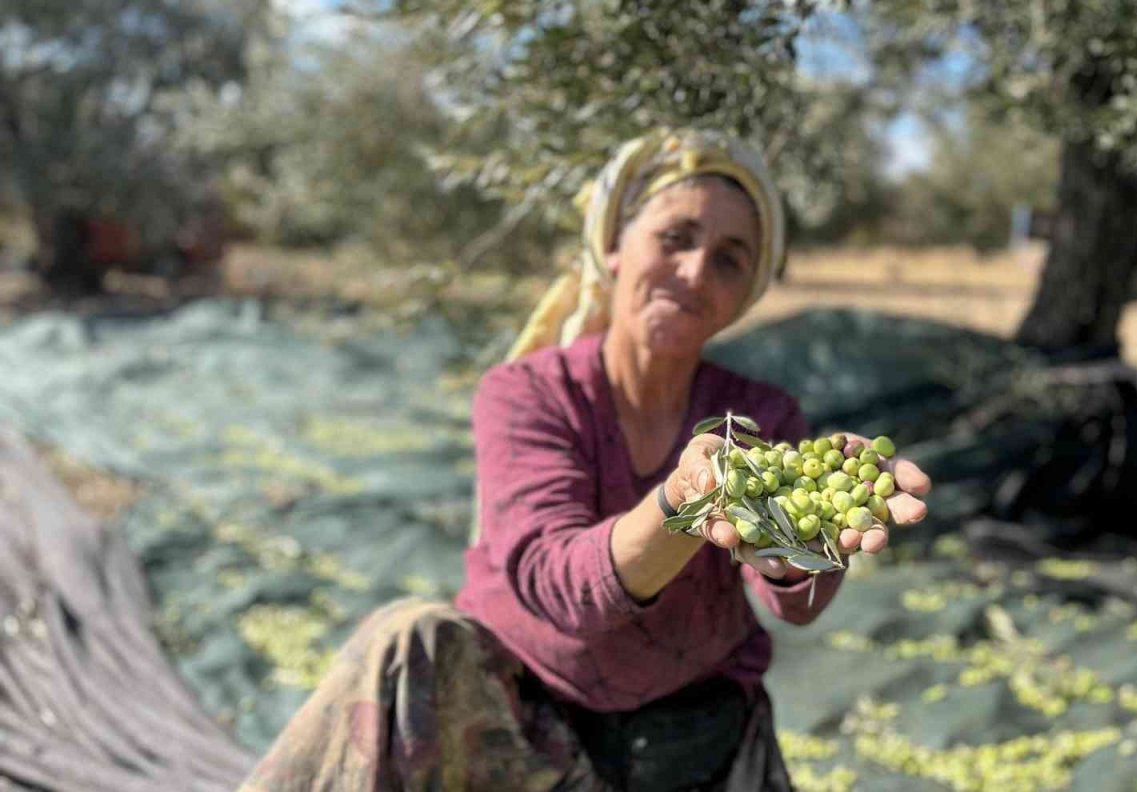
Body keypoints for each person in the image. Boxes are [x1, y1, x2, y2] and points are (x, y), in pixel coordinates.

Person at [238, 128, 930, 792]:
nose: (695, 270)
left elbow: (794, 600)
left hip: (689, 751)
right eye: (675, 238)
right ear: (615, 247)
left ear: (744, 293)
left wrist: (796, 548)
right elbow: (558, 582)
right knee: (406, 636)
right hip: (521, 741)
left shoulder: (760, 416)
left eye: (728, 259)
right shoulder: (528, 394)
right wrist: (685, 502)